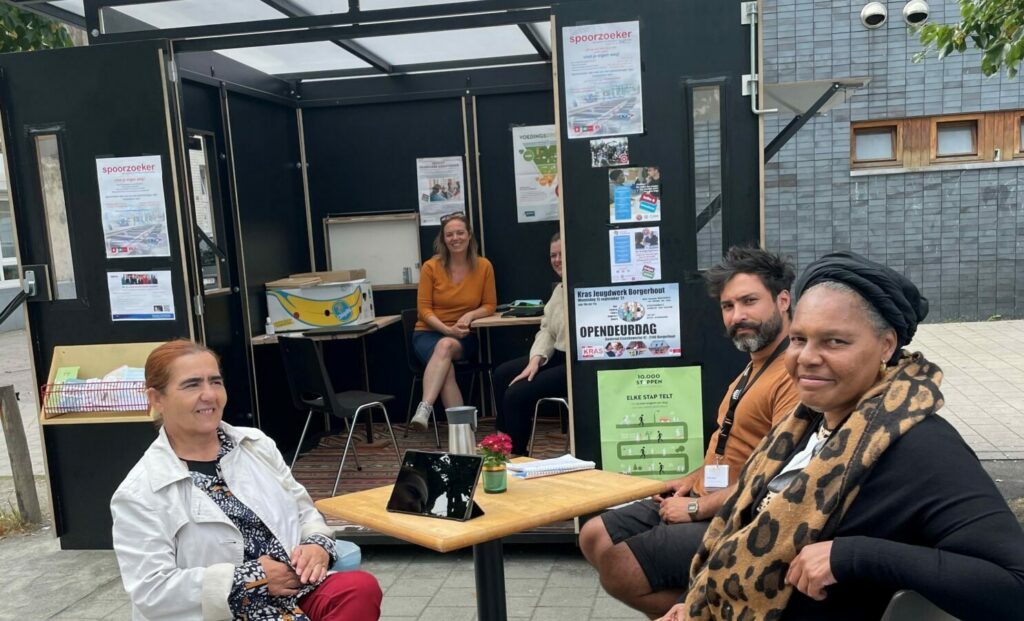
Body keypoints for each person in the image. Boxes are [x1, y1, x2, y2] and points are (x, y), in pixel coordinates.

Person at [659, 251, 1024, 621]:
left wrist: (853, 556)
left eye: (835, 342)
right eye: (799, 339)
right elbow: (741, 530)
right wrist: (694, 602)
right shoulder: (802, 425)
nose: (807, 357)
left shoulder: (920, 447)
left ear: (886, 346)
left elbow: (1013, 585)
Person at [580, 246, 801, 618]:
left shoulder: (793, 373)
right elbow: (731, 444)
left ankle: (706, 611)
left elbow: (776, 479)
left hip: (739, 517)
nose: (738, 316)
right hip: (704, 495)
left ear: (783, 300)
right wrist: (693, 479)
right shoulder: (752, 367)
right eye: (728, 306)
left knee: (619, 563)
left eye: (749, 301)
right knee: (593, 534)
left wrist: (696, 506)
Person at [110, 340, 382, 621]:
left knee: (358, 589)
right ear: (157, 399)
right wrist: (253, 578)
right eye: (192, 385)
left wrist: (316, 544)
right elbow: (151, 590)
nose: (209, 395)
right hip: (224, 612)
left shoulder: (256, 445)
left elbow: (304, 511)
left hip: (293, 593)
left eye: (215, 382)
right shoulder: (139, 492)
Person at [409, 213, 497, 430]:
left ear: (469, 236)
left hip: (463, 337)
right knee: (444, 361)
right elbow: (423, 310)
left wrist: (469, 316)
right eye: (449, 234)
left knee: (446, 347)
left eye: (460, 233)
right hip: (428, 334)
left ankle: (425, 408)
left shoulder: (484, 266)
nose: (455, 238)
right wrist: (447, 330)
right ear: (443, 239)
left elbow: (489, 305)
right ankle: (461, 430)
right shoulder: (431, 267)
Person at [492, 232, 567, 455]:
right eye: (553, 255)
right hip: (555, 356)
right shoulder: (559, 289)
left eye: (562, 254)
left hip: (575, 365)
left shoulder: (580, 288)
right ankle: (501, 441)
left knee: (516, 393)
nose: (557, 260)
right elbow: (546, 330)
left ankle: (516, 455)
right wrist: (536, 359)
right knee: (502, 374)